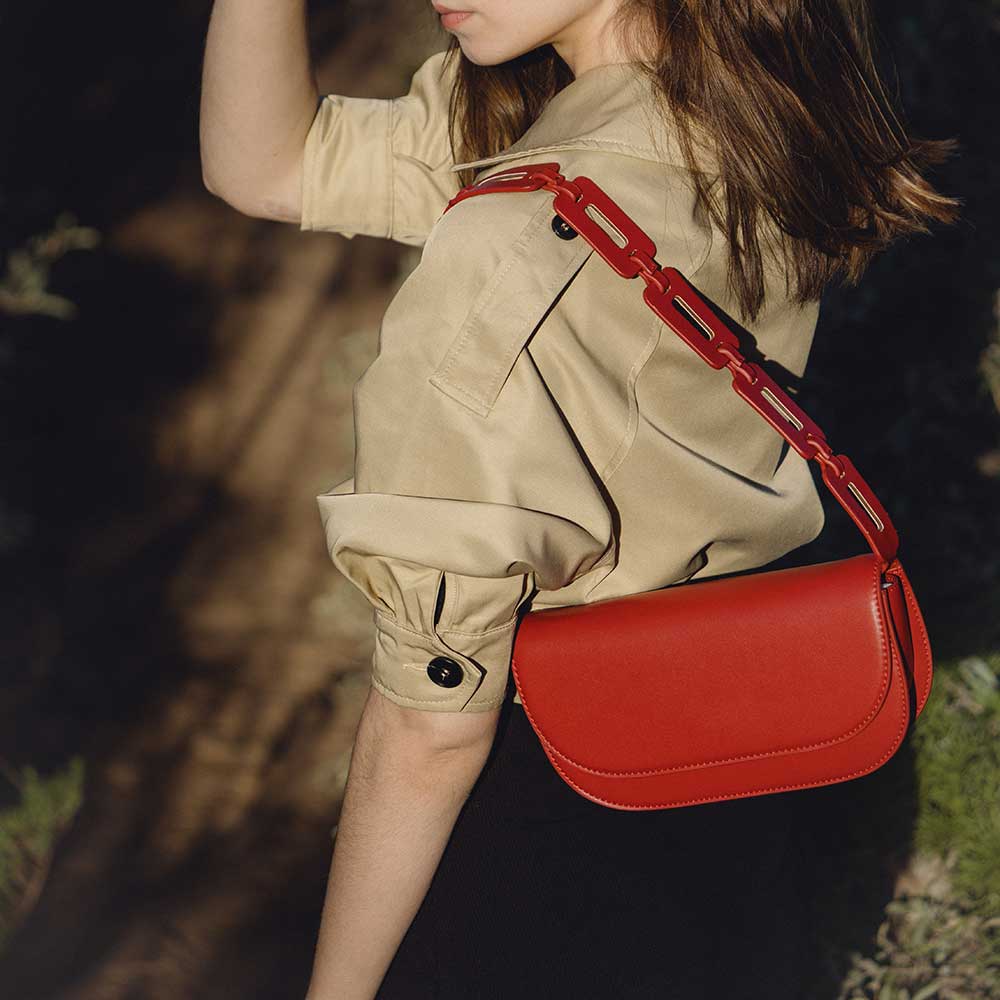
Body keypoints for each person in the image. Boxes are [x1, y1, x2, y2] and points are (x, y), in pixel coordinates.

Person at [200, 1, 957, 997]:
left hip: (550, 819)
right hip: (738, 748)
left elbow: (431, 727)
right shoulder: (756, 99)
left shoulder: (510, 242)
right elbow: (270, 166)